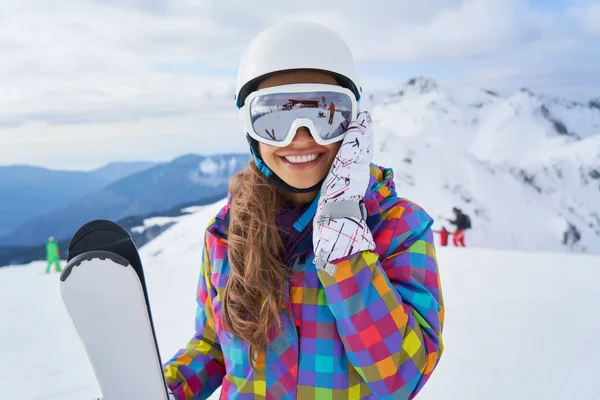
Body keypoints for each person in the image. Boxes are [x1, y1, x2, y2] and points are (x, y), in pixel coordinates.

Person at [163, 22, 444, 400]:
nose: (300, 137)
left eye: (326, 114)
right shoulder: (228, 232)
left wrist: (346, 248)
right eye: (274, 117)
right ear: (250, 128)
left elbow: (401, 378)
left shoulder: (397, 228)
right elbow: (214, 346)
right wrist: (163, 388)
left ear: (353, 122)